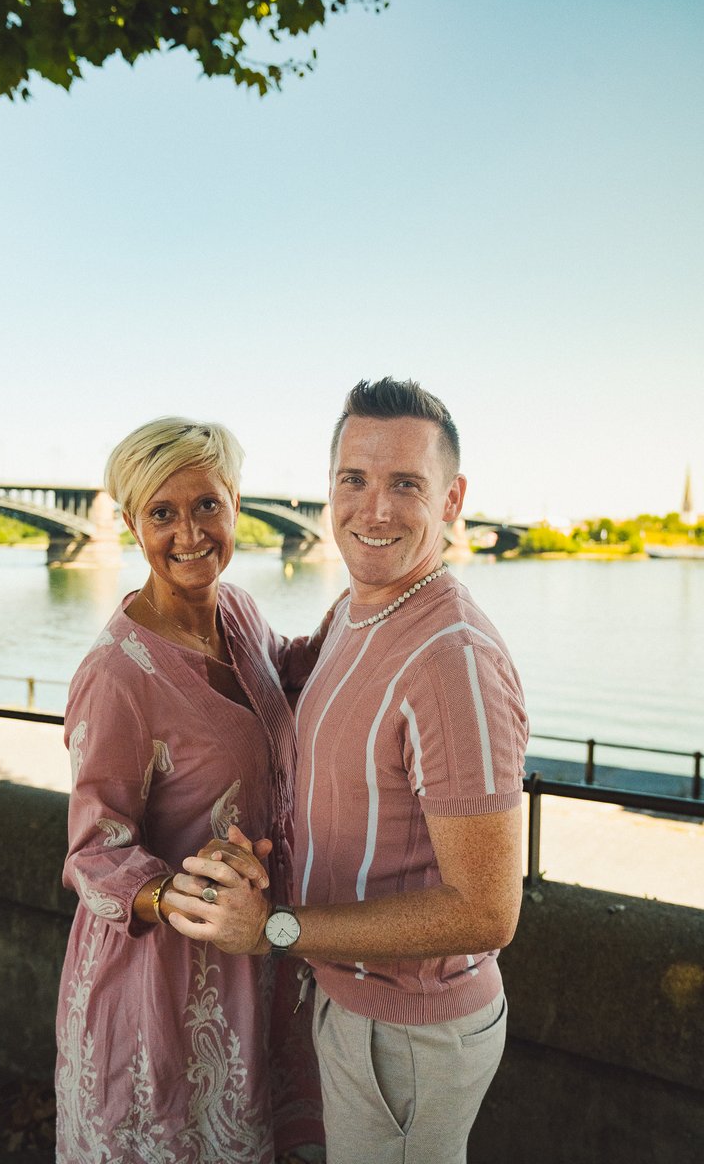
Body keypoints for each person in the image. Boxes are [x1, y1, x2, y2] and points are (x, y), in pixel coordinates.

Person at [168, 378, 528, 1164]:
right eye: (354, 479)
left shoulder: (453, 662)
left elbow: (486, 911)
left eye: (406, 484)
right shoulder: (356, 611)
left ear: (452, 499)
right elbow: (288, 684)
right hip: (352, 1002)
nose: (375, 509)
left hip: (408, 1034)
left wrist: (274, 929)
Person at [54, 416, 327, 1164]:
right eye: (162, 513)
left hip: (251, 961)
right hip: (160, 988)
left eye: (207, 504)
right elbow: (93, 850)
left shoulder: (237, 611)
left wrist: (368, 611)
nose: (189, 533)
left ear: (235, 503)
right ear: (133, 525)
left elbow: (286, 668)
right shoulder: (116, 674)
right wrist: (170, 892)